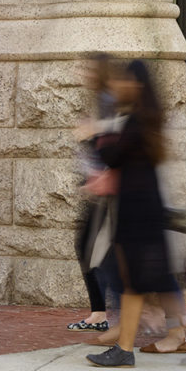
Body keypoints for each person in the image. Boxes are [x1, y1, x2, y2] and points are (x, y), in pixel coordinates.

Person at [85, 59, 186, 367]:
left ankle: (126, 349)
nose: (117, 86)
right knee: (152, 280)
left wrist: (92, 134)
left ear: (137, 85)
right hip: (143, 210)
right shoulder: (146, 118)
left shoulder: (137, 121)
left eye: (123, 81)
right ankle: (173, 335)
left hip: (137, 213)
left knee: (135, 284)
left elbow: (112, 157)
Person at [69, 52, 120, 336]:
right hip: (100, 185)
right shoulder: (102, 99)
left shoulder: (109, 100)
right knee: (94, 248)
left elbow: (117, 138)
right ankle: (100, 312)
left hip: (107, 189)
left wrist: (92, 131)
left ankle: (105, 314)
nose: (83, 74)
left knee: (91, 248)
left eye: (88, 69)